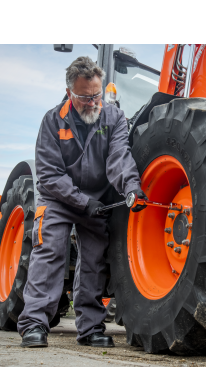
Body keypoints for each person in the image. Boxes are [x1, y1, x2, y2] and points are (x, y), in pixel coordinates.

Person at [17, 56, 148, 348]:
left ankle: (90, 328)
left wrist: (132, 188)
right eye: (85, 97)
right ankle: (34, 324)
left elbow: (119, 158)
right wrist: (80, 200)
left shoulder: (113, 117)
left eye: (97, 95)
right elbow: (50, 175)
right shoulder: (52, 121)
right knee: (49, 251)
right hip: (58, 199)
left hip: (97, 200)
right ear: (69, 93)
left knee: (95, 261)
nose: (92, 103)